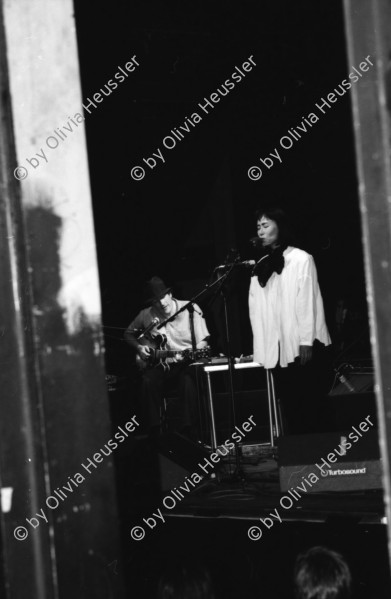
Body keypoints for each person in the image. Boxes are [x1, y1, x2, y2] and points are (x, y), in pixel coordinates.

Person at [248, 207, 331, 433]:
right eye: (258, 227)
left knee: (309, 399)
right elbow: (256, 309)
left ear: (280, 227)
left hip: (299, 342)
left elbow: (307, 300)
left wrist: (306, 340)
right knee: (288, 401)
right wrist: (262, 345)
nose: (261, 231)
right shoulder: (261, 265)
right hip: (277, 346)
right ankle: (297, 454)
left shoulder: (301, 258)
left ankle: (319, 451)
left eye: (265, 225)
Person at [125, 276, 210, 439]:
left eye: (163, 297)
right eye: (156, 300)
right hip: (163, 365)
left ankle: (188, 431)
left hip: (187, 362)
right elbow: (128, 334)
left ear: (170, 294)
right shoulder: (146, 315)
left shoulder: (190, 308)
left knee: (188, 379)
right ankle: (154, 431)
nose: (161, 303)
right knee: (147, 381)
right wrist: (139, 347)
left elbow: (203, 343)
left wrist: (187, 355)